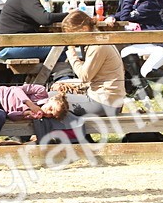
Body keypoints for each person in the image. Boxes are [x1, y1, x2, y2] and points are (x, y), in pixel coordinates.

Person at [31, 10, 125, 142]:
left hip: (104, 101)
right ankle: (80, 137)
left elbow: (85, 76)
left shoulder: (97, 46)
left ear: (84, 28)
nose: (71, 39)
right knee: (54, 96)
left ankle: (67, 138)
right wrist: (69, 84)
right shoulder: (98, 40)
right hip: (108, 99)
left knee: (50, 98)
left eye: (72, 34)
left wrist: (71, 53)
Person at [0, 0, 68, 81]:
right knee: (62, 50)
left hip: (5, 46)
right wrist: (69, 15)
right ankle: (62, 83)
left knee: (56, 49)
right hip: (9, 48)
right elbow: (44, 18)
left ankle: (40, 83)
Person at [109, 0, 163, 101]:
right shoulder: (145, 1)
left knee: (147, 71)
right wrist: (112, 17)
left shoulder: (149, 3)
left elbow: (126, 16)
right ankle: (143, 89)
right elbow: (123, 14)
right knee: (126, 51)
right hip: (156, 42)